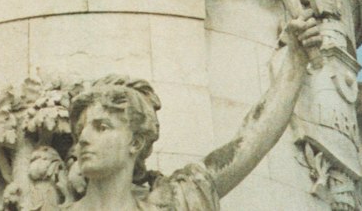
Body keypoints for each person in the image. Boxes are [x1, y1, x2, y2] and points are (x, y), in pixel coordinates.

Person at [68, 15, 322, 211]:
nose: (83, 139)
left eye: (102, 127)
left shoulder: (179, 201)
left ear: (135, 142)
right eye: (81, 130)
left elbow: (249, 144)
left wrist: (296, 60)